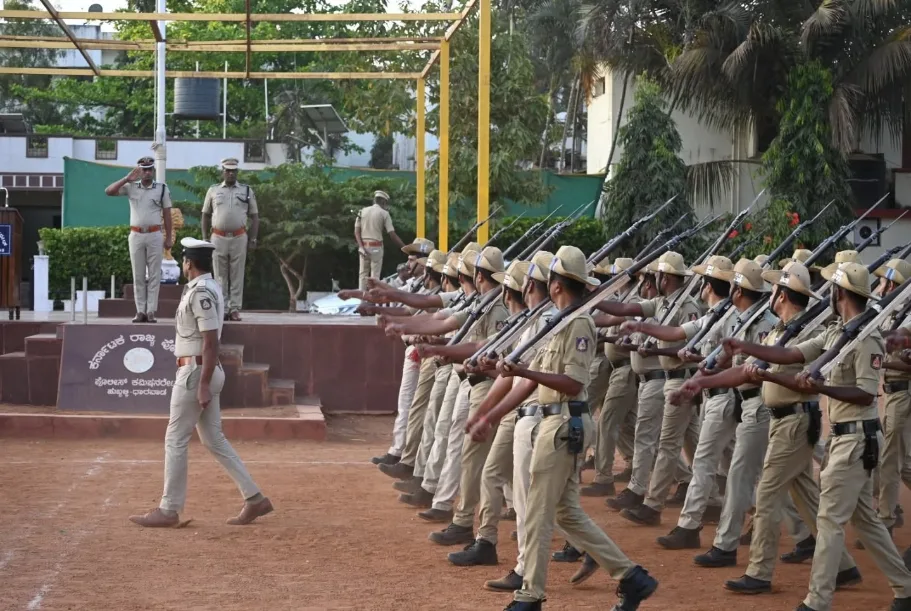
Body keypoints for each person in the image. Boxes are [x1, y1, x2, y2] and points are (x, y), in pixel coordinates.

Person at [468, 245, 658, 611]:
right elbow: (527, 386)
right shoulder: (557, 320)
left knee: (539, 509)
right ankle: (632, 577)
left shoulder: (579, 323)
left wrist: (522, 370)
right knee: (565, 513)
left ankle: (530, 594)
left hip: (563, 422)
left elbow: (571, 382)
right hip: (552, 420)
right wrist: (490, 416)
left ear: (556, 284)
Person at [724, 262, 911, 610]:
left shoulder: (866, 337)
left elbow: (866, 394)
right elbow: (793, 353)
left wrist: (825, 386)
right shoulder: (839, 332)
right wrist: (748, 349)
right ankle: (905, 588)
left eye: (831, 288)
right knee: (866, 522)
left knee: (829, 520)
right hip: (844, 437)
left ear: (839, 292)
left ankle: (817, 601)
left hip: (857, 438)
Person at [129, 237, 272, 528]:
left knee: (176, 437)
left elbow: (210, 341)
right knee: (213, 439)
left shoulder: (201, 291)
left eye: (184, 260)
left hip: (197, 371)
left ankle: (169, 509)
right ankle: (255, 498)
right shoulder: (205, 288)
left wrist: (203, 384)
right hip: (202, 370)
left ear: (189, 263)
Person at [618, 255, 735, 547]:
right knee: (707, 452)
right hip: (705, 391)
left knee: (676, 445)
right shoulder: (713, 314)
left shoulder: (721, 316)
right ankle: (711, 503)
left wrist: (691, 363)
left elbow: (730, 359)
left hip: (714, 391)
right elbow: (677, 335)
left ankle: (655, 504)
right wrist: (641, 328)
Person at [104, 156, 173, 323]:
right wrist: (126, 179)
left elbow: (167, 214)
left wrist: (169, 237)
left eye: (150, 169)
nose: (147, 172)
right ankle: (140, 310)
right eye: (144, 169)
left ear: (154, 170)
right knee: (138, 275)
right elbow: (109, 191)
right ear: (139, 170)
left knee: (155, 275)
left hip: (155, 234)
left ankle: (151, 311)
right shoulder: (131, 187)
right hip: (136, 235)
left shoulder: (162, 188)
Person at [201, 158, 259, 322]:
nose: (230, 173)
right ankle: (222, 307)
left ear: (237, 172)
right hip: (217, 237)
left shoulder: (247, 190)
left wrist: (253, 238)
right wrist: (205, 238)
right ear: (223, 171)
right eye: (227, 170)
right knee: (219, 275)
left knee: (237, 274)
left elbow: (255, 216)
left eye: (233, 171)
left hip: (239, 237)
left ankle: (234, 309)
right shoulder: (213, 190)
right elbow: (205, 214)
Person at [355, 190, 406, 291]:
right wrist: (404, 247)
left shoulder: (362, 211)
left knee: (363, 275)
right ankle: (372, 299)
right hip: (376, 247)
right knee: (374, 277)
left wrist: (361, 247)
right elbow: (392, 234)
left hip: (363, 246)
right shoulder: (384, 213)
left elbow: (356, 232)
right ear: (383, 202)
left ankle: (362, 299)